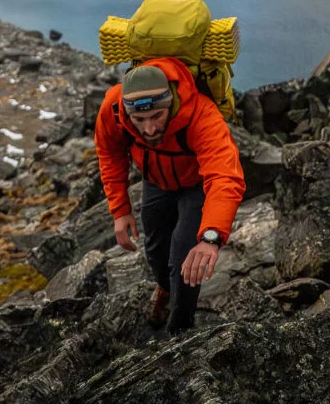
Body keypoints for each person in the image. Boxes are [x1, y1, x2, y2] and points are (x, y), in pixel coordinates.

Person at [94, 56, 244, 331]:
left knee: (187, 259)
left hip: (197, 184)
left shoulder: (201, 114)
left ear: (170, 104)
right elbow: (110, 152)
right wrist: (120, 210)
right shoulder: (114, 108)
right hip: (156, 181)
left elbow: (225, 176)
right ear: (128, 113)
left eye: (157, 116)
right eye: (139, 119)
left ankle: (180, 330)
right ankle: (164, 289)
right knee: (155, 247)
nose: (149, 128)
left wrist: (211, 237)